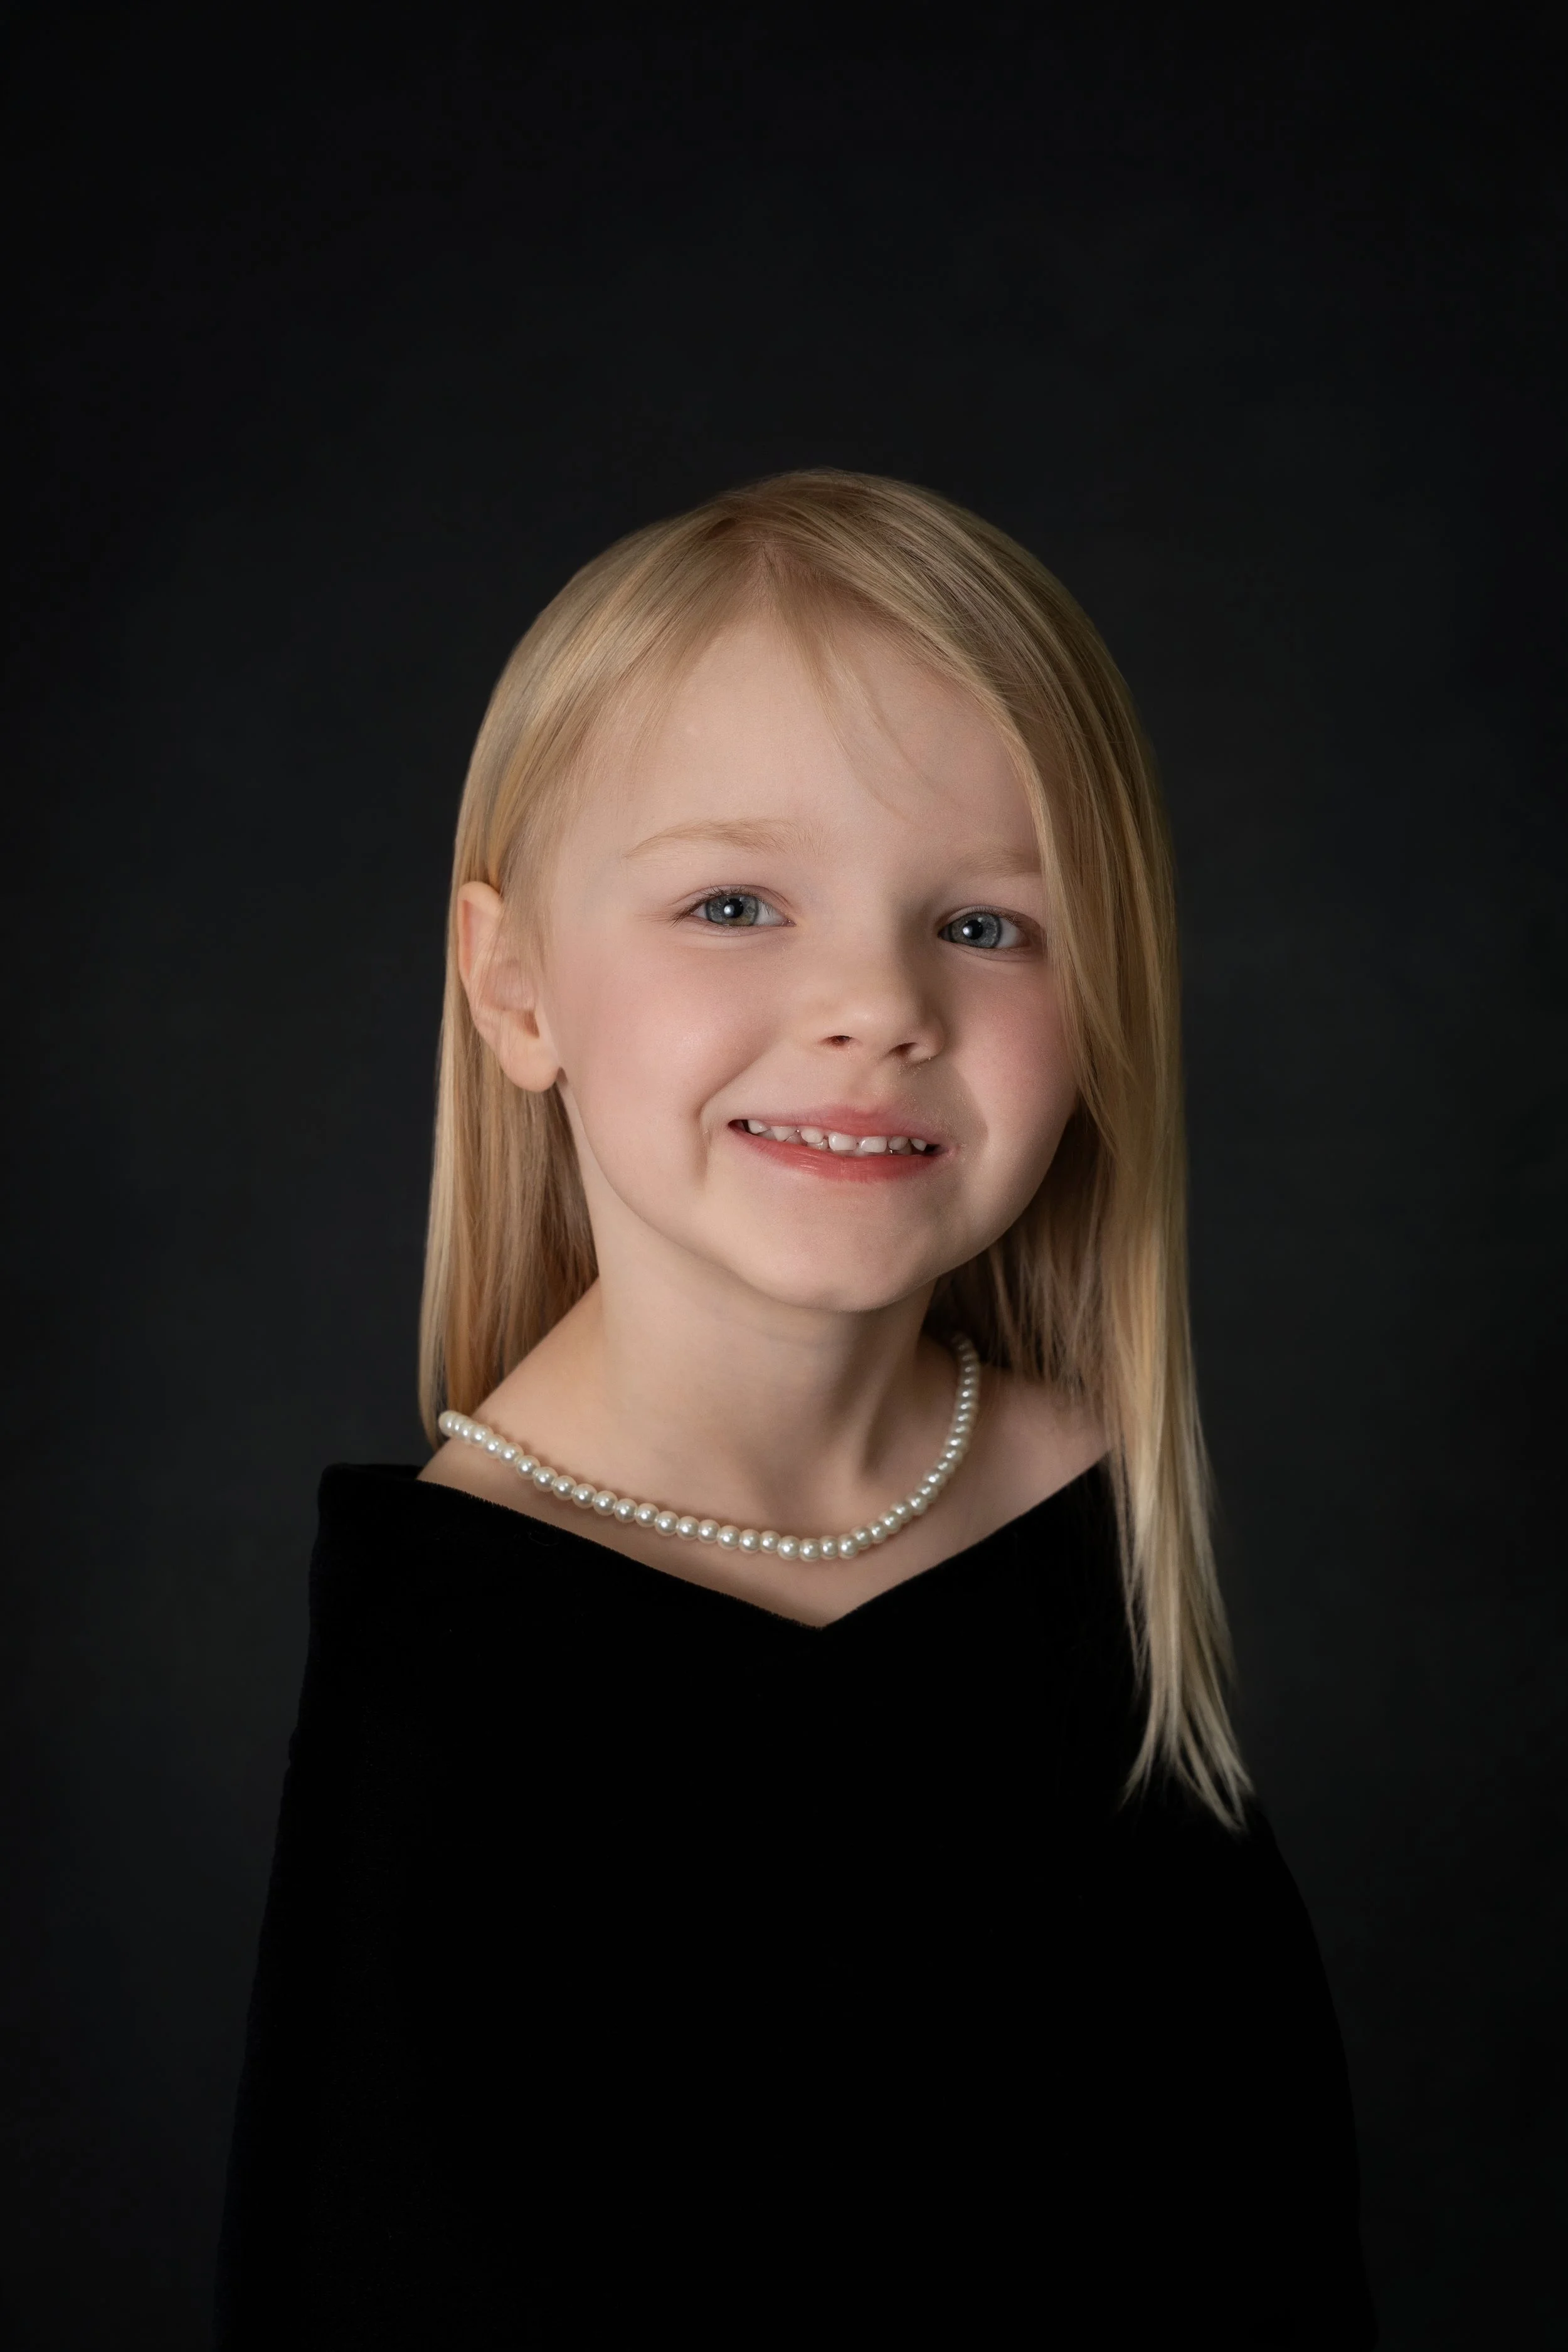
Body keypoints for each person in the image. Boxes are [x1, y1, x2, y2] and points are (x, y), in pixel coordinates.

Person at [216, 470, 1377, 2346]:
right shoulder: (455, 1670)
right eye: (734, 900)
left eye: (990, 925)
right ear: (515, 988)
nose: (873, 1002)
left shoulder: (1082, 1505)